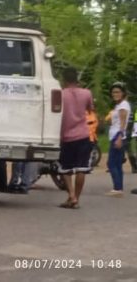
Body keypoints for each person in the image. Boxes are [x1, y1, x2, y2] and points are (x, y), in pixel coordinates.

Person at [58, 67, 94, 209]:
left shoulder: (60, 95)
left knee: (66, 169)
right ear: (77, 79)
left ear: (64, 80)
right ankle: (76, 199)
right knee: (81, 168)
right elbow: (91, 109)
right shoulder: (87, 93)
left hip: (66, 136)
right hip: (83, 134)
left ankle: (71, 195)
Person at [106, 83, 130, 197]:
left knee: (111, 163)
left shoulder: (123, 106)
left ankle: (117, 188)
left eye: (117, 92)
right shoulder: (119, 105)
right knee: (117, 163)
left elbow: (123, 123)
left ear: (123, 93)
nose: (115, 94)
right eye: (113, 92)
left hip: (117, 136)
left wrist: (119, 137)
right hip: (116, 135)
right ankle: (119, 188)